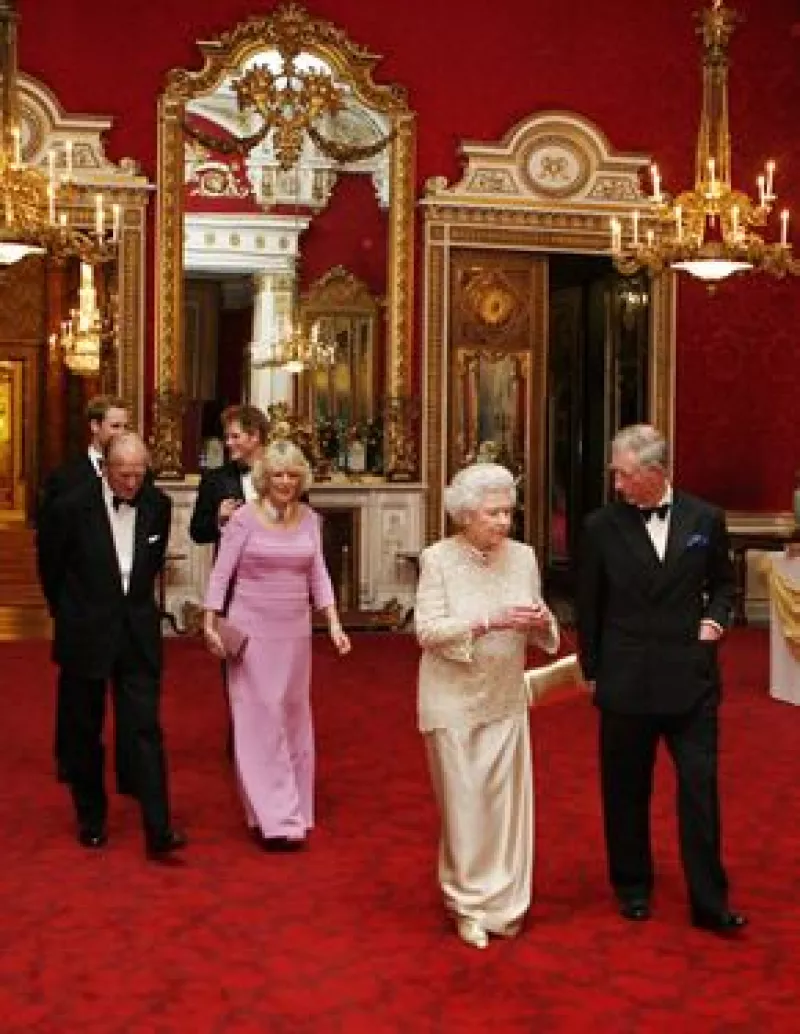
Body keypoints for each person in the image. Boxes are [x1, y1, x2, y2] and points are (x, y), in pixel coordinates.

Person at [576, 423, 745, 934]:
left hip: (690, 678)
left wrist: (714, 622)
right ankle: (632, 886)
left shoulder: (705, 518)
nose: (618, 486)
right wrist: (593, 672)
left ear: (656, 472)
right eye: (615, 475)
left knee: (700, 789)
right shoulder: (600, 527)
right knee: (625, 789)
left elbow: (724, 585)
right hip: (626, 679)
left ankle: (709, 902)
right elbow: (589, 606)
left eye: (625, 475)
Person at [414, 463, 559, 949]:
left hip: (505, 696)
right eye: (492, 513)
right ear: (465, 514)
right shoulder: (437, 559)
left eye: (508, 512)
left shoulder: (524, 557)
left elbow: (544, 632)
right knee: (465, 807)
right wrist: (486, 620)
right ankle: (468, 905)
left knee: (505, 808)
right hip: (451, 701)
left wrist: (541, 620)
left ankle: (504, 903)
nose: (503, 522)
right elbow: (428, 632)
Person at [36, 432, 186, 861]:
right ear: (105, 468)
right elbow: (51, 566)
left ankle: (159, 829)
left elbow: (150, 569)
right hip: (85, 632)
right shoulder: (70, 507)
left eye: (139, 474)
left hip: (137, 633)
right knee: (85, 731)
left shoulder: (158, 505)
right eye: (124, 475)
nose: (132, 484)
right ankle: (91, 818)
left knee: (145, 729)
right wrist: (69, 614)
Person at [202, 440, 350, 850]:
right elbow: (220, 574)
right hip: (252, 633)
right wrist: (209, 621)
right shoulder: (243, 520)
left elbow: (318, 573)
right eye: (278, 475)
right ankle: (277, 819)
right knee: (258, 720)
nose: (285, 482)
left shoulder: (310, 520)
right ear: (265, 479)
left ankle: (290, 808)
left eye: (293, 475)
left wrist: (334, 622)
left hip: (295, 632)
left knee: (291, 717)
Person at [37, 394, 133, 791]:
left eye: (126, 426)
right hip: (80, 609)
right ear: (94, 428)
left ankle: (129, 769)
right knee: (78, 696)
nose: (122, 433)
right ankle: (72, 759)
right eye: (115, 425)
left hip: (124, 613)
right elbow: (51, 552)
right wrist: (62, 604)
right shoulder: (66, 479)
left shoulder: (135, 474)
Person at [189, 404, 269, 548]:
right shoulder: (215, 479)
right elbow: (197, 532)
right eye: (227, 437)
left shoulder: (284, 475)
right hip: (233, 567)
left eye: (235, 436)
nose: (228, 443)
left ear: (255, 436)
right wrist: (219, 519)